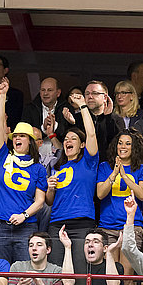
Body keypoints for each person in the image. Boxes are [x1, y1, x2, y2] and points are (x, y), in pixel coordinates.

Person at [0, 78, 47, 263]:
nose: (17, 139)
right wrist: (2, 95)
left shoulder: (38, 168)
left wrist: (24, 215)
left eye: (22, 136)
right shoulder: (2, 157)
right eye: (15, 136)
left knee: (25, 273)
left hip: (26, 227)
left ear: (30, 141)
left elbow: (40, 201)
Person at [45, 90, 98, 271]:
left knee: (81, 270)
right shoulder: (57, 167)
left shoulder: (88, 162)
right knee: (56, 270)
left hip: (82, 222)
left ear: (82, 145)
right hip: (57, 223)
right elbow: (50, 201)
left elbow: (91, 135)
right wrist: (50, 189)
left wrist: (83, 106)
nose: (68, 140)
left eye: (73, 138)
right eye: (66, 138)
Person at [97, 130, 143, 285]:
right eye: (120, 143)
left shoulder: (142, 169)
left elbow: (142, 195)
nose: (123, 147)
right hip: (107, 226)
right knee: (112, 274)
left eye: (128, 143)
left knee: (127, 274)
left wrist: (124, 176)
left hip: (131, 225)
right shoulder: (105, 167)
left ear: (134, 148)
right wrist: (114, 173)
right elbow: (100, 193)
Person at [21, 77, 72, 151]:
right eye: (43, 90)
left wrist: (55, 126)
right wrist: (43, 128)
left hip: (61, 154)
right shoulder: (30, 109)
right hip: (34, 153)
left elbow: (71, 135)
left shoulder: (67, 108)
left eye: (50, 90)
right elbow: (24, 134)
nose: (45, 93)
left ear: (58, 93)